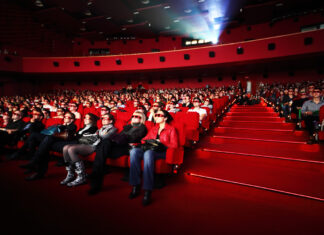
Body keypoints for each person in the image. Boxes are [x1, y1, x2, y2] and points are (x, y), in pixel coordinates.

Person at [88, 110, 147, 195]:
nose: (134, 118)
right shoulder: (127, 126)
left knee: (103, 147)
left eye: (137, 116)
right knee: (104, 144)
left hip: (128, 148)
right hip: (118, 145)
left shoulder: (142, 127)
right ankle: (96, 180)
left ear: (142, 119)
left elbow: (133, 138)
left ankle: (95, 176)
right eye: (133, 116)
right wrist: (120, 137)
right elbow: (119, 137)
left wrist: (121, 136)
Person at [129, 110, 178, 206]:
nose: (156, 116)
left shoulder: (171, 129)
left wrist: (160, 142)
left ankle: (148, 190)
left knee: (148, 153)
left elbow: (174, 145)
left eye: (159, 115)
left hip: (162, 152)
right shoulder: (154, 128)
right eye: (155, 115)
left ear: (165, 118)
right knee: (134, 151)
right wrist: (149, 141)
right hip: (151, 149)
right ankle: (136, 185)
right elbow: (144, 139)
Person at [61, 114, 117, 187]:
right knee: (65, 147)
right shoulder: (101, 128)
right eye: (102, 118)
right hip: (88, 143)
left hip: (94, 146)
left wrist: (96, 134)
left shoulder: (113, 129)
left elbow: (104, 136)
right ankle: (70, 173)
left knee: (71, 149)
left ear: (111, 121)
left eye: (105, 118)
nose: (103, 119)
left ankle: (81, 176)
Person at [23, 112, 78, 180]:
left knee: (45, 143)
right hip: (52, 139)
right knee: (34, 136)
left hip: (60, 142)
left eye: (67, 117)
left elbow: (67, 135)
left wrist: (62, 126)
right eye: (64, 116)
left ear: (72, 120)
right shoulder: (60, 125)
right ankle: (34, 164)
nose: (64, 118)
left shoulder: (73, 126)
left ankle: (34, 163)